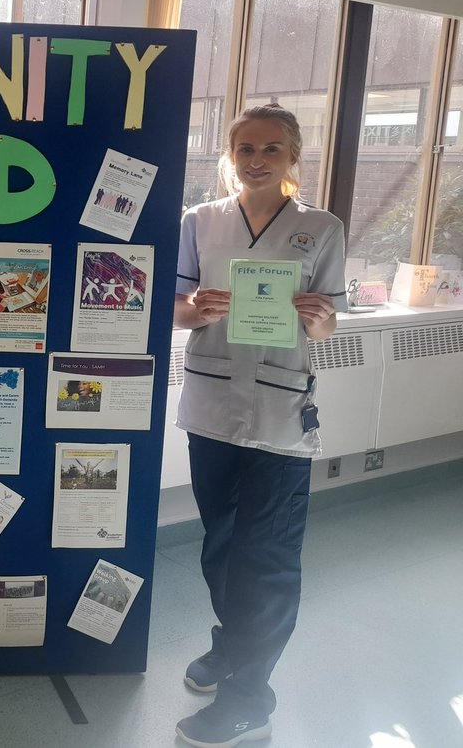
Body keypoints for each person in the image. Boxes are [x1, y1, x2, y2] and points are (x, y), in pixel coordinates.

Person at [172, 105, 346, 747]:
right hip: (211, 406)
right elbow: (175, 310)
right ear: (230, 154)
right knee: (221, 543)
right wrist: (195, 310)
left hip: (280, 414)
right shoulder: (200, 221)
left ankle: (250, 698)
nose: (256, 159)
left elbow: (329, 326)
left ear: (292, 156)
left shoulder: (321, 227)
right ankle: (231, 646)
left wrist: (318, 317)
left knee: (266, 556)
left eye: (271, 148)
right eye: (245, 148)